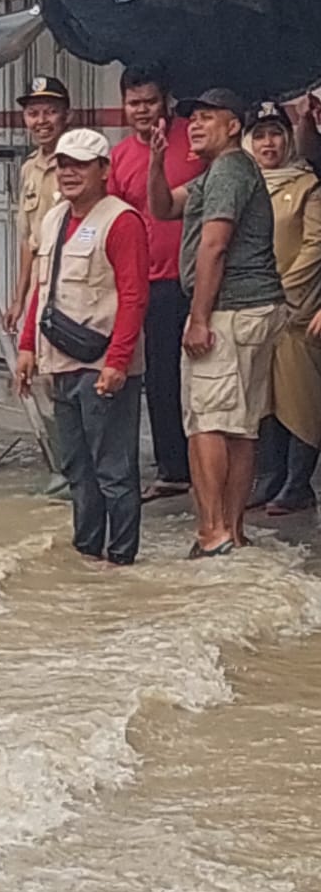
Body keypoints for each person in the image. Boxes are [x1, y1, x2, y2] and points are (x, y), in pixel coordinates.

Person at [148, 88, 287, 558]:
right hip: (253, 310)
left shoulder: (229, 169)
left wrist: (199, 319)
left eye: (208, 117)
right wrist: (156, 159)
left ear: (233, 127)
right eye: (193, 118)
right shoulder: (218, 173)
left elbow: (214, 247)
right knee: (241, 426)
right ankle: (233, 529)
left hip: (230, 310)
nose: (196, 125)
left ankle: (212, 532)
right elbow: (164, 207)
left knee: (207, 421)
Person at [15, 129, 149, 565]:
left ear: (104, 170)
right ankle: (87, 555)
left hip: (103, 364)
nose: (69, 173)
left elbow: (134, 297)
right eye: (62, 165)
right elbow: (42, 287)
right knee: (77, 469)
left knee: (113, 470)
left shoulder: (121, 221)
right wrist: (27, 347)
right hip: (60, 360)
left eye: (80, 165)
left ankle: (121, 560)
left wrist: (118, 361)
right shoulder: (54, 217)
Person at [107, 64, 200, 502]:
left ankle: (219, 464)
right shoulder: (121, 156)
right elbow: (115, 221)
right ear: (124, 106)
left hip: (202, 277)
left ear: (166, 101)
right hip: (151, 282)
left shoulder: (194, 137)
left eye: (150, 101)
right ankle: (173, 468)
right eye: (134, 103)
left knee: (209, 376)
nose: (142, 110)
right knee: (161, 378)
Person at [244, 101, 321, 514]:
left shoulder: (307, 185)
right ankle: (270, 478)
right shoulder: (246, 185)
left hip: (297, 309)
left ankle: (298, 484)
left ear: (288, 139)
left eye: (275, 133)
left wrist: (280, 288)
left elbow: (314, 245)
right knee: (265, 398)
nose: (268, 143)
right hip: (257, 308)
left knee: (300, 396)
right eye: (259, 135)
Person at [9, 76, 73, 332]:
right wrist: (19, 299)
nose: (41, 121)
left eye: (50, 112)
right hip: (40, 281)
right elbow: (28, 241)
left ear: (67, 116)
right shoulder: (28, 169)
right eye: (33, 114)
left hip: (73, 277)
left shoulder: (83, 164)